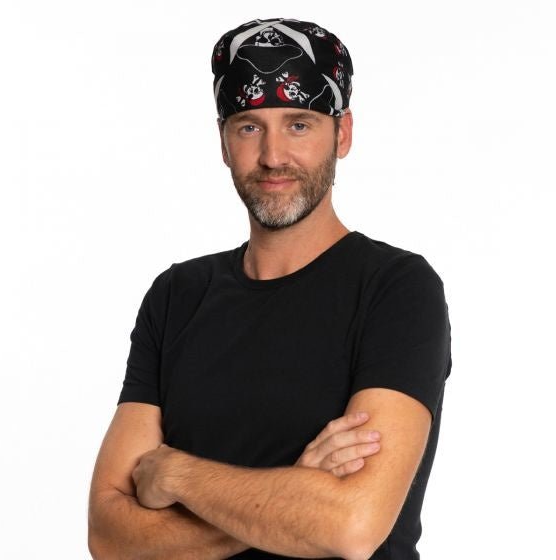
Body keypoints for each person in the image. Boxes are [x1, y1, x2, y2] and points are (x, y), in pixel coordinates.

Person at [88, 17, 451, 560]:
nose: (273, 156)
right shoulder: (177, 294)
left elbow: (351, 526)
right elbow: (109, 537)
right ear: (223, 140)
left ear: (342, 134)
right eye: (249, 127)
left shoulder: (396, 288)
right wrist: (294, 489)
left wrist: (178, 474)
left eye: (299, 124)